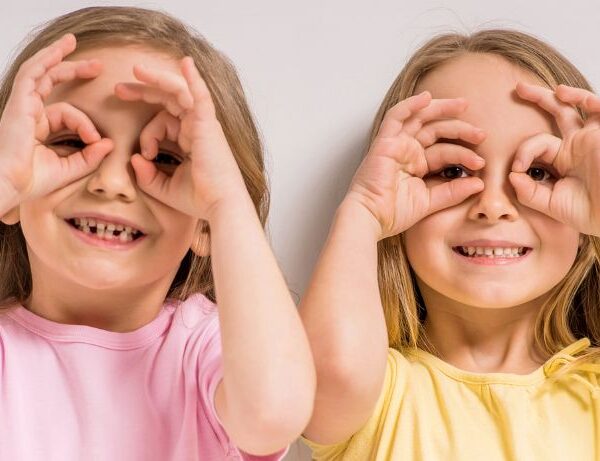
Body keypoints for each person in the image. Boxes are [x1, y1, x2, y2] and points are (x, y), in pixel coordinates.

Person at [0, 6, 315, 460]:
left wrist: (226, 202)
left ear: (204, 225)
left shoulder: (205, 351)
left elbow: (274, 415)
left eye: (165, 158)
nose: (110, 182)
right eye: (69, 141)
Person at [300, 29, 600, 460]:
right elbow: (327, 378)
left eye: (539, 173)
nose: (494, 206)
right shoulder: (376, 395)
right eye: (453, 170)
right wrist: (363, 211)